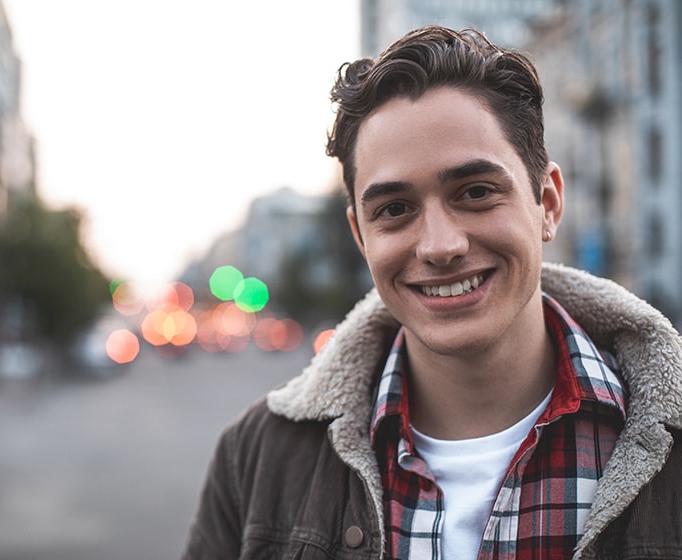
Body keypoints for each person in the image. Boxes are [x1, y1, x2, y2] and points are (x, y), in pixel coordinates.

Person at [181, 25, 682, 560]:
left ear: (548, 203)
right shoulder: (255, 458)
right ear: (361, 237)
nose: (441, 246)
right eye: (394, 209)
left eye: (476, 192)